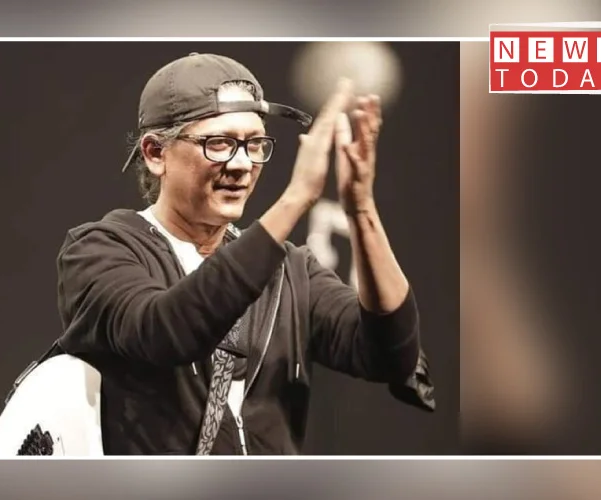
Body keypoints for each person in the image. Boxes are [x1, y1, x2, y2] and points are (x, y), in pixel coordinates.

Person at [53, 52, 434, 455]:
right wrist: (295, 199)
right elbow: (167, 331)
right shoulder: (99, 250)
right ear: (155, 153)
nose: (241, 164)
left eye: (254, 144)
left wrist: (361, 209)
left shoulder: (290, 271)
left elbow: (392, 356)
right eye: (218, 143)